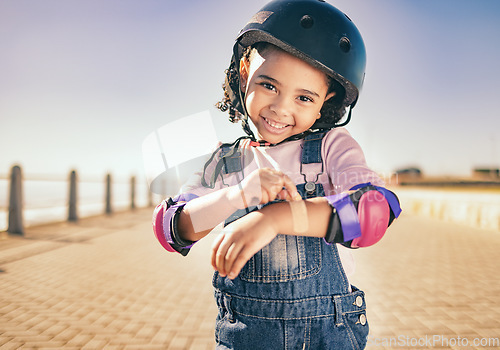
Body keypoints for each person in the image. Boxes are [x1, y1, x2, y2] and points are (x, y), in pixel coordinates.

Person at [152, 0, 401, 349]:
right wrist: (235, 196)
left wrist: (275, 218)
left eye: (304, 97)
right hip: (243, 337)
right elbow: (169, 229)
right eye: (269, 85)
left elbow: (372, 215)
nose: (281, 108)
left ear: (326, 99)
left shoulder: (332, 148)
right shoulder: (225, 162)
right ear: (243, 71)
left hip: (327, 335)